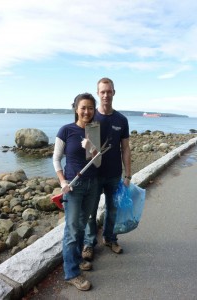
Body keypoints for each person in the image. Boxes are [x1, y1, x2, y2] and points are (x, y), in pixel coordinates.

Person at [53, 93, 101, 291]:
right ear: (76, 108)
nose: (87, 111)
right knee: (72, 230)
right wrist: (63, 181)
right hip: (73, 186)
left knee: (82, 225)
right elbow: (56, 159)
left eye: (90, 108)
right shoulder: (66, 130)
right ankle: (71, 273)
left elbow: (98, 162)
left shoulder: (94, 130)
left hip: (92, 185)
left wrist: (91, 148)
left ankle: (78, 260)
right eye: (83, 107)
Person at [82, 77, 131, 261]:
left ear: (114, 93)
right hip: (93, 175)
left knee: (112, 210)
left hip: (113, 175)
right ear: (97, 94)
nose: (106, 95)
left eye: (109, 91)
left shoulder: (121, 120)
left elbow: (125, 148)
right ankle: (89, 243)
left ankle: (110, 238)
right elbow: (80, 145)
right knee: (90, 212)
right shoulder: (90, 116)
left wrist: (128, 175)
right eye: (102, 92)